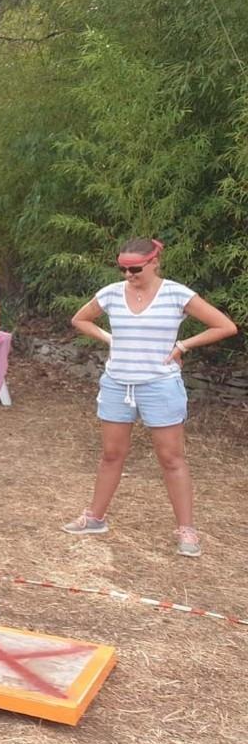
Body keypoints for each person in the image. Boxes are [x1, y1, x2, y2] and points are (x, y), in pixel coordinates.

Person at [62, 238, 237, 557]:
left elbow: (224, 326)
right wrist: (108, 337)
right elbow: (80, 319)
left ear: (155, 262)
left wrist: (183, 346)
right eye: (123, 268)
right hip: (117, 383)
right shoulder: (112, 293)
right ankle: (95, 518)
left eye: (135, 268)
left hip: (160, 385)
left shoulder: (176, 293)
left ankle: (187, 529)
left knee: (172, 458)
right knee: (111, 455)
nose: (128, 274)